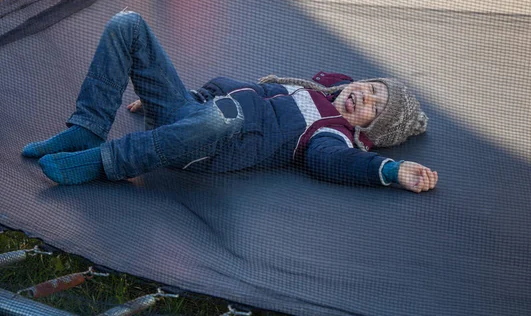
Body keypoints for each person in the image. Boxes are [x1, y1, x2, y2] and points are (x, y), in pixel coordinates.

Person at [22, 11, 438, 193]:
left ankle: (106, 161)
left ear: (371, 129)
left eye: (374, 106)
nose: (364, 95)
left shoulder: (332, 134)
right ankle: (85, 130)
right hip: (190, 112)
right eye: (370, 87)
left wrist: (390, 170)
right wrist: (165, 106)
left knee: (223, 117)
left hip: (213, 143)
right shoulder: (307, 89)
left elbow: (338, 164)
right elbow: (225, 90)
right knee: (127, 25)